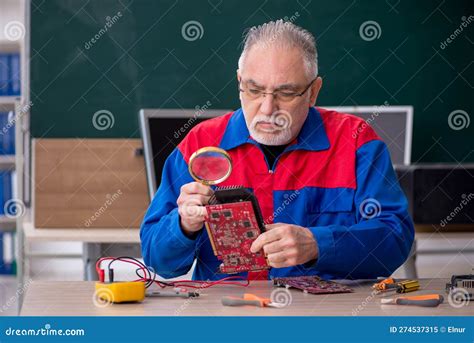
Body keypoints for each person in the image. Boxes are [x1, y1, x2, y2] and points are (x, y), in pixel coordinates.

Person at [140, 20, 414, 281]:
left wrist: (318, 244)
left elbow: (395, 238)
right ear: (239, 83)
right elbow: (157, 261)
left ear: (313, 91)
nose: (268, 108)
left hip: (325, 316)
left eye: (286, 93)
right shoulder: (200, 144)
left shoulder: (356, 142)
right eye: (254, 89)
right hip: (228, 315)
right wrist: (184, 225)